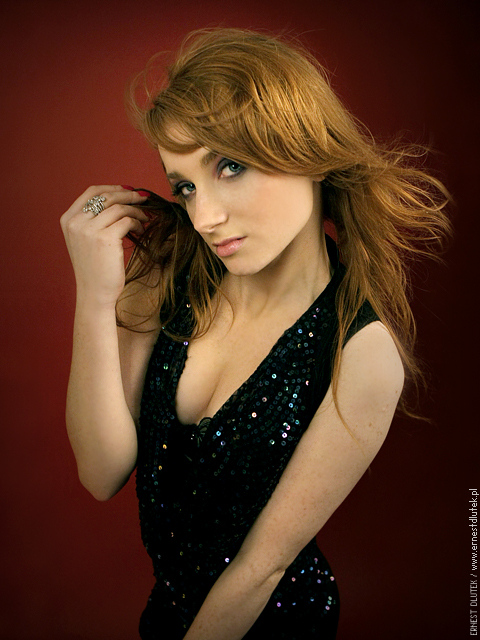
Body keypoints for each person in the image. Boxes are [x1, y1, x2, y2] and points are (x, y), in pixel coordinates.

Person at [60, 28, 451, 640]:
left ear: (304, 147)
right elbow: (101, 471)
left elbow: (259, 570)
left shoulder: (362, 355)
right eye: (186, 186)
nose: (204, 216)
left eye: (231, 167)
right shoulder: (170, 270)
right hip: (166, 617)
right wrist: (94, 297)